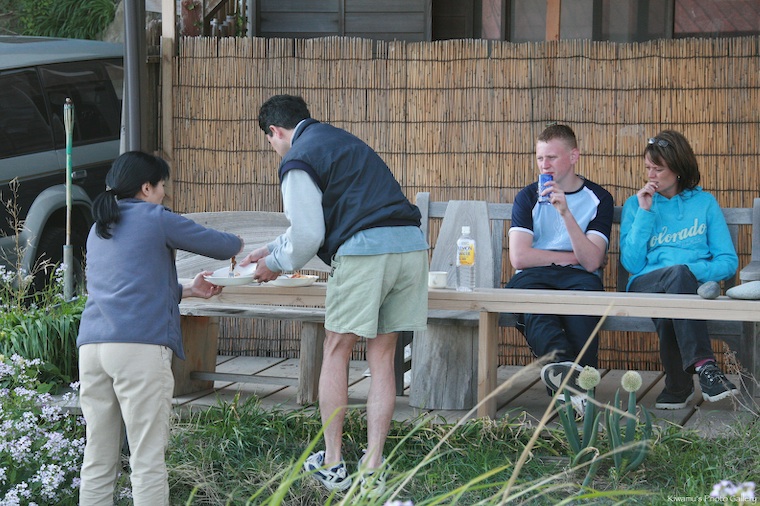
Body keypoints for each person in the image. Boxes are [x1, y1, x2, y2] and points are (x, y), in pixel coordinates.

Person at [239, 94, 428, 495]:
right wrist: (270, 248)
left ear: (275, 132)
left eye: (269, 140)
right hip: (410, 247)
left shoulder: (297, 159)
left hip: (365, 253)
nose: (273, 147)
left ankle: (332, 462)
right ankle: (372, 469)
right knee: (383, 356)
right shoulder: (342, 141)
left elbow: (309, 235)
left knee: (336, 349)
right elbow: (327, 215)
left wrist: (274, 264)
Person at [77, 151, 244, 505]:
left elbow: (127, 287)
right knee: (147, 460)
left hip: (92, 349)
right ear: (146, 187)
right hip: (138, 349)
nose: (164, 193)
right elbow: (222, 246)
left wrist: (189, 289)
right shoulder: (155, 217)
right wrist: (246, 245)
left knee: (98, 459)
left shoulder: (99, 227)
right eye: (162, 186)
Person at [620, 130, 739, 409]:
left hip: (685, 287)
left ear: (678, 170)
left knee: (672, 297)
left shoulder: (704, 203)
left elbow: (727, 261)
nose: (651, 175)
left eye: (658, 169)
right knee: (676, 276)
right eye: (648, 168)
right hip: (646, 284)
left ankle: (678, 386)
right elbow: (632, 264)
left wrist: (689, 270)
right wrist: (645, 213)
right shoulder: (636, 204)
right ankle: (705, 365)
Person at [505, 124, 614, 404]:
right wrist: (572, 257)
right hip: (534, 277)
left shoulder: (598, 198)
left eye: (552, 157)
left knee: (581, 313)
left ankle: (568, 386)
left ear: (574, 156)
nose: (545, 165)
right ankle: (570, 378)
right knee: (535, 309)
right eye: (540, 158)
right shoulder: (527, 197)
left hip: (579, 278)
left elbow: (591, 262)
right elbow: (520, 257)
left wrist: (565, 212)